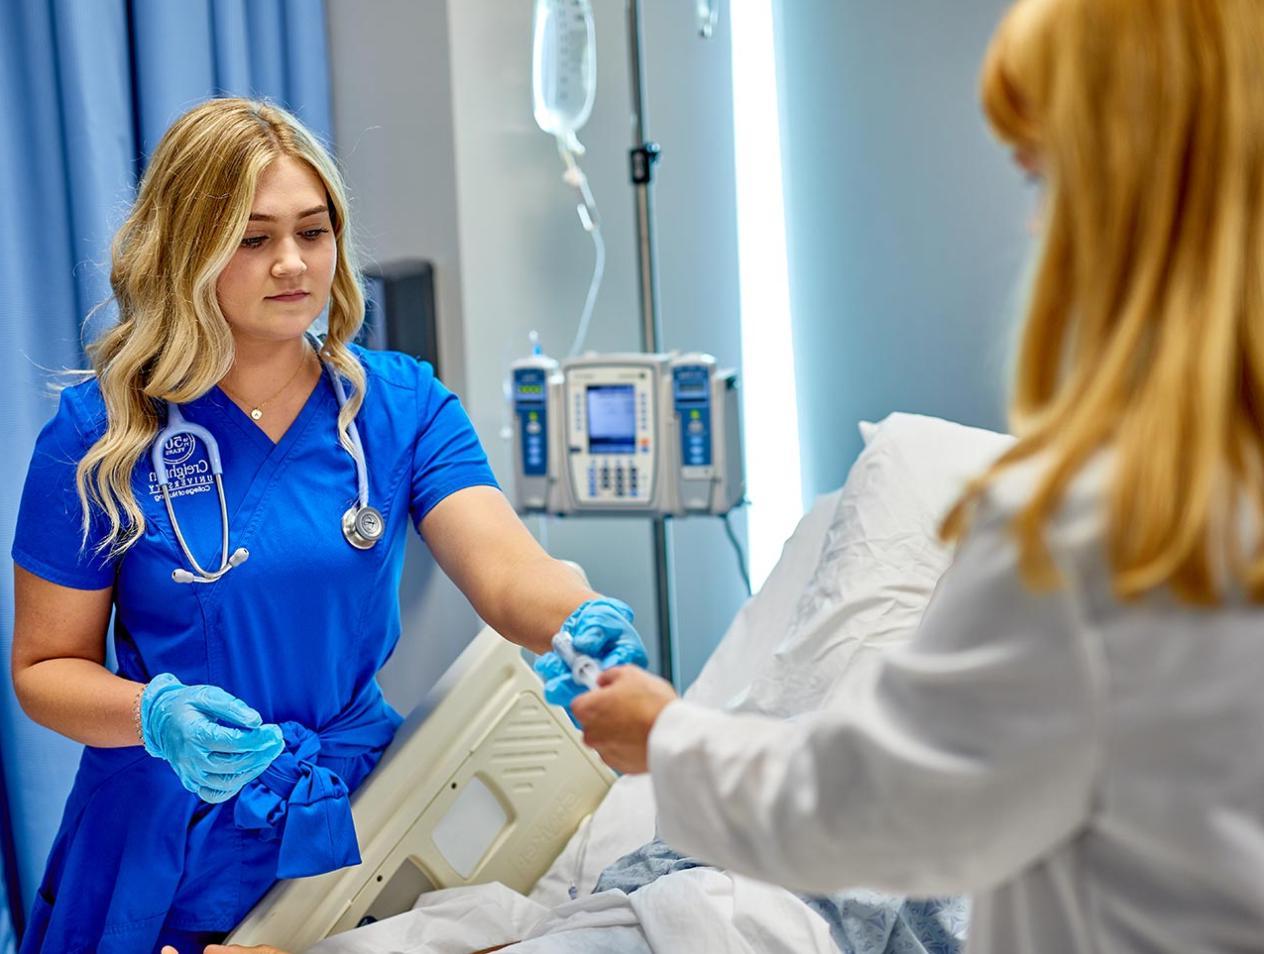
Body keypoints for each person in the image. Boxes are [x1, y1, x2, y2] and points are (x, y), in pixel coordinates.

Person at [574, 0, 1264, 951]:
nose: (1036, 229)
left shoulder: (1111, 521)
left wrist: (666, 738)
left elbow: (874, 805)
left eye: (1048, 178)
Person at [9, 97, 644, 954]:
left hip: (357, 824)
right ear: (187, 248)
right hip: (168, 835)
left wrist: (576, 622)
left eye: (314, 231)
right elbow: (46, 669)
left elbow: (505, 572)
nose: (293, 264)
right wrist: (157, 715)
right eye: (253, 237)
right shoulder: (100, 435)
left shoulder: (401, 406)